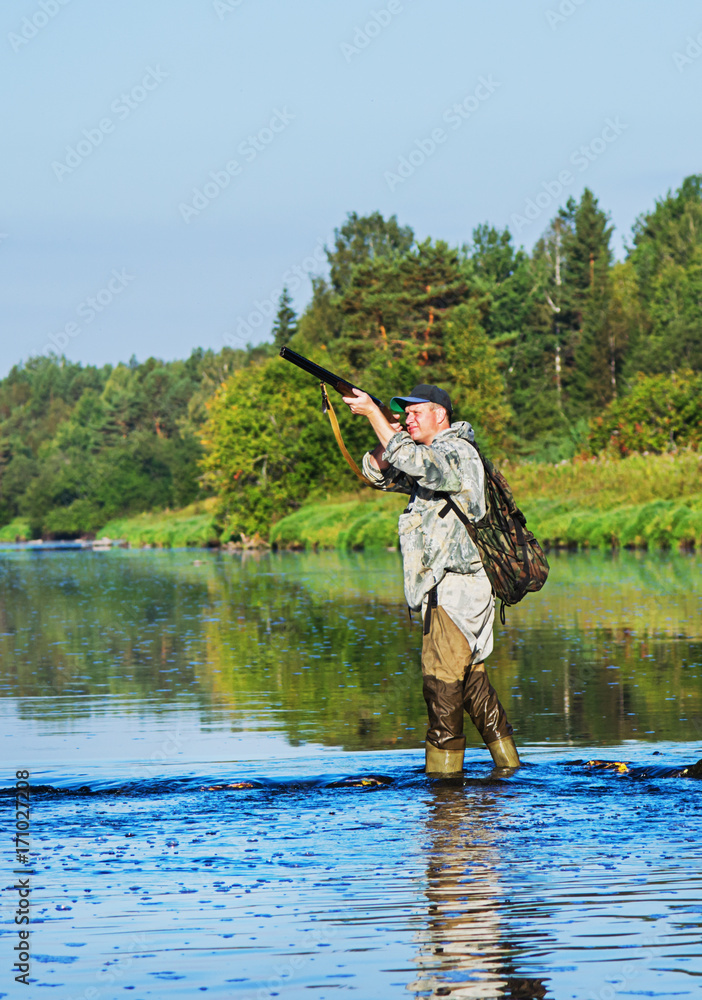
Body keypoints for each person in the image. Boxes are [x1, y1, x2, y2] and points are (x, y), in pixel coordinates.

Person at [342, 382, 520, 775]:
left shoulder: (454, 452)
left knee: (440, 687)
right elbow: (376, 472)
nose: (407, 419)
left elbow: (418, 462)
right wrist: (391, 432)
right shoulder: (428, 453)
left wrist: (374, 414)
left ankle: (444, 790)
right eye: (403, 414)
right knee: (471, 685)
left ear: (440, 414)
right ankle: (509, 769)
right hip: (450, 590)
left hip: (456, 589)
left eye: (414, 413)